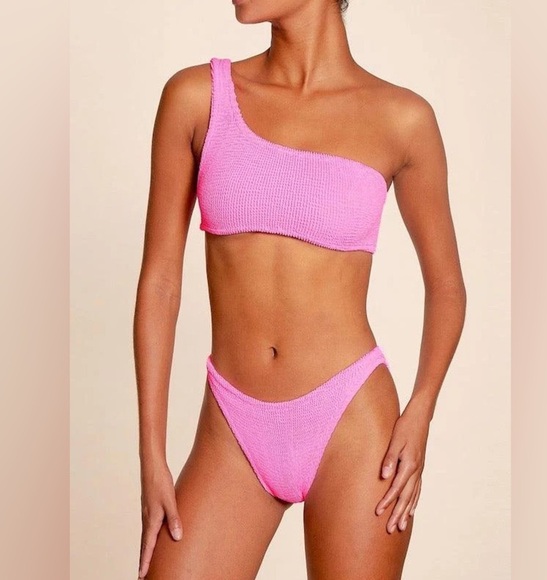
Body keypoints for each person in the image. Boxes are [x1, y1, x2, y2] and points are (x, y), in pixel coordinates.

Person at [133, 0, 466, 578]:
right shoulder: (197, 98)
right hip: (231, 426)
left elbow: (447, 285)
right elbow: (160, 283)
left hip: (353, 422)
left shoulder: (402, 118)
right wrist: (151, 454)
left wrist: (421, 410)